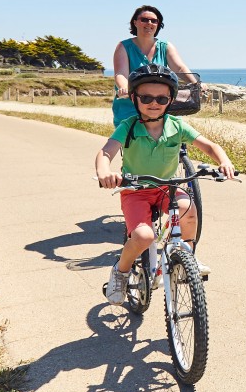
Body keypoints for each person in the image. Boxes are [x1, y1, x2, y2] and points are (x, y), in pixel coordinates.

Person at [95, 64, 235, 307]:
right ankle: (121, 271)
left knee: (189, 210)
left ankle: (187, 257)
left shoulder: (176, 126)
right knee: (143, 236)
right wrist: (104, 172)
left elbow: (209, 146)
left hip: (167, 189)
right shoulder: (128, 126)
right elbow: (106, 152)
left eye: (161, 98)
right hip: (136, 191)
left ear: (170, 100)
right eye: (146, 97)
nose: (154, 103)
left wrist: (224, 161)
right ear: (135, 98)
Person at [111, 5, 196, 127]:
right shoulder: (124, 47)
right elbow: (121, 74)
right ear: (135, 22)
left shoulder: (165, 46)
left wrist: (195, 83)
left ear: (158, 24)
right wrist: (124, 87)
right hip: (132, 105)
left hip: (159, 105)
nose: (149, 23)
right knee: (130, 139)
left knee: (174, 133)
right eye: (144, 19)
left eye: (154, 20)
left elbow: (179, 68)